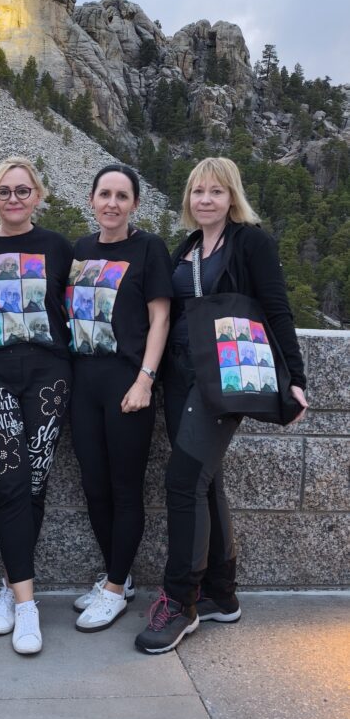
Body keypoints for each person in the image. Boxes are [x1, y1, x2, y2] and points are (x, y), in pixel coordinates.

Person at [135, 157, 308, 655]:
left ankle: (180, 603)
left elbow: (276, 308)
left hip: (222, 381)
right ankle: (221, 595)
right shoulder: (187, 247)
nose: (205, 200)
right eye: (197, 192)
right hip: (180, 377)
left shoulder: (250, 241)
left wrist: (294, 378)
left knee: (183, 482)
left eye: (215, 191)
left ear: (232, 196)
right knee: (206, 485)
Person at [0, 157, 72, 655]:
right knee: (8, 483)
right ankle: (27, 607)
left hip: (49, 374)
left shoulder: (57, 246)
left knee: (34, 482)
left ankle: (11, 588)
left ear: (39, 195)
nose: (14, 199)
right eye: (5, 191)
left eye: (23, 191)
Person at [68, 165, 172, 632]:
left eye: (122, 196)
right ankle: (120, 574)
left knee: (126, 488)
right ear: (91, 200)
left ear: (134, 204)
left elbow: (160, 320)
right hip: (83, 383)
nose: (112, 203)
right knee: (94, 485)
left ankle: (112, 591)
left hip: (127, 384)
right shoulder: (80, 250)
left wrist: (145, 380)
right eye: (104, 194)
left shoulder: (149, 248)